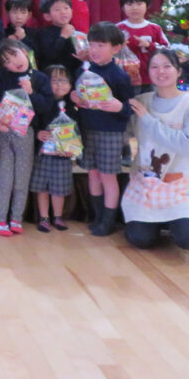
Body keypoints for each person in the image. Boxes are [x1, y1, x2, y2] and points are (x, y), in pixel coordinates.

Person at [122, 49, 189, 251]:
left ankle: (180, 222)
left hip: (185, 188)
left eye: (166, 66)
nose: (160, 71)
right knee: (139, 239)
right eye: (154, 67)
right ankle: (157, 223)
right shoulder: (141, 101)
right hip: (146, 186)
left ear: (178, 71)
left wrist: (148, 120)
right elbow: (122, 132)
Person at [73, 22, 134, 237]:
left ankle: (108, 221)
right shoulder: (83, 70)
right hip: (87, 128)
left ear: (115, 48)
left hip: (111, 131)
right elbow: (78, 95)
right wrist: (73, 97)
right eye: (92, 45)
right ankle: (97, 216)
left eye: (101, 45)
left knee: (108, 176)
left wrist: (120, 107)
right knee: (93, 173)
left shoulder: (119, 76)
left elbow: (130, 107)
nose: (94, 50)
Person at [0, 40, 53, 237]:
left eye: (15, 55)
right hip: (4, 131)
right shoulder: (2, 76)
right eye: (7, 61)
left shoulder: (40, 78)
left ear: (24, 52)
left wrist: (31, 92)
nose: (13, 62)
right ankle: (0, 219)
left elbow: (46, 106)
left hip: (26, 132)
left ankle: (16, 218)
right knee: (5, 177)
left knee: (22, 178)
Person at [31, 65, 80, 233]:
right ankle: (44, 217)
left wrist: (73, 149)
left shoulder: (72, 107)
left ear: (71, 84)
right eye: (54, 81)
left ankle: (58, 216)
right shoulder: (41, 104)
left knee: (59, 188)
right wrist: (38, 134)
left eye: (64, 81)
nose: (60, 85)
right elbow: (32, 123)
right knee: (42, 188)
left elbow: (77, 132)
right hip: (42, 154)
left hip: (62, 155)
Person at [117, 0, 170, 94]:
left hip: (149, 78)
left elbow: (167, 50)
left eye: (139, 4)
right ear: (123, 7)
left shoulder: (154, 28)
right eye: (129, 4)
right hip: (124, 78)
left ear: (147, 5)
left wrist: (150, 45)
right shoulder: (118, 28)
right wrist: (118, 47)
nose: (135, 8)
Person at [34, 0, 83, 77]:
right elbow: (50, 55)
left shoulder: (77, 32)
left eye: (66, 8)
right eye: (57, 10)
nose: (63, 12)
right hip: (52, 75)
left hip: (73, 75)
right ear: (47, 16)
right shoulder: (44, 33)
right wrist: (63, 37)